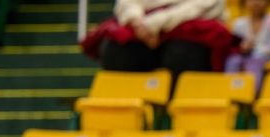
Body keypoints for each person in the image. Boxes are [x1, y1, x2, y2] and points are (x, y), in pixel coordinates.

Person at [82, 0, 236, 80]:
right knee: (117, 47)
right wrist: (137, 21)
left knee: (183, 52)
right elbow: (127, 3)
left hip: (184, 27)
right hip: (141, 25)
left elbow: (202, 6)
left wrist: (154, 24)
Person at [226, 0, 270, 93]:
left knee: (256, 57)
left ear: (268, 2)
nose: (256, 3)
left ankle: (252, 93)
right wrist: (242, 47)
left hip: (269, 54)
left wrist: (252, 48)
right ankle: (231, 92)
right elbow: (235, 45)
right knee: (233, 60)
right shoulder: (239, 23)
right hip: (245, 55)